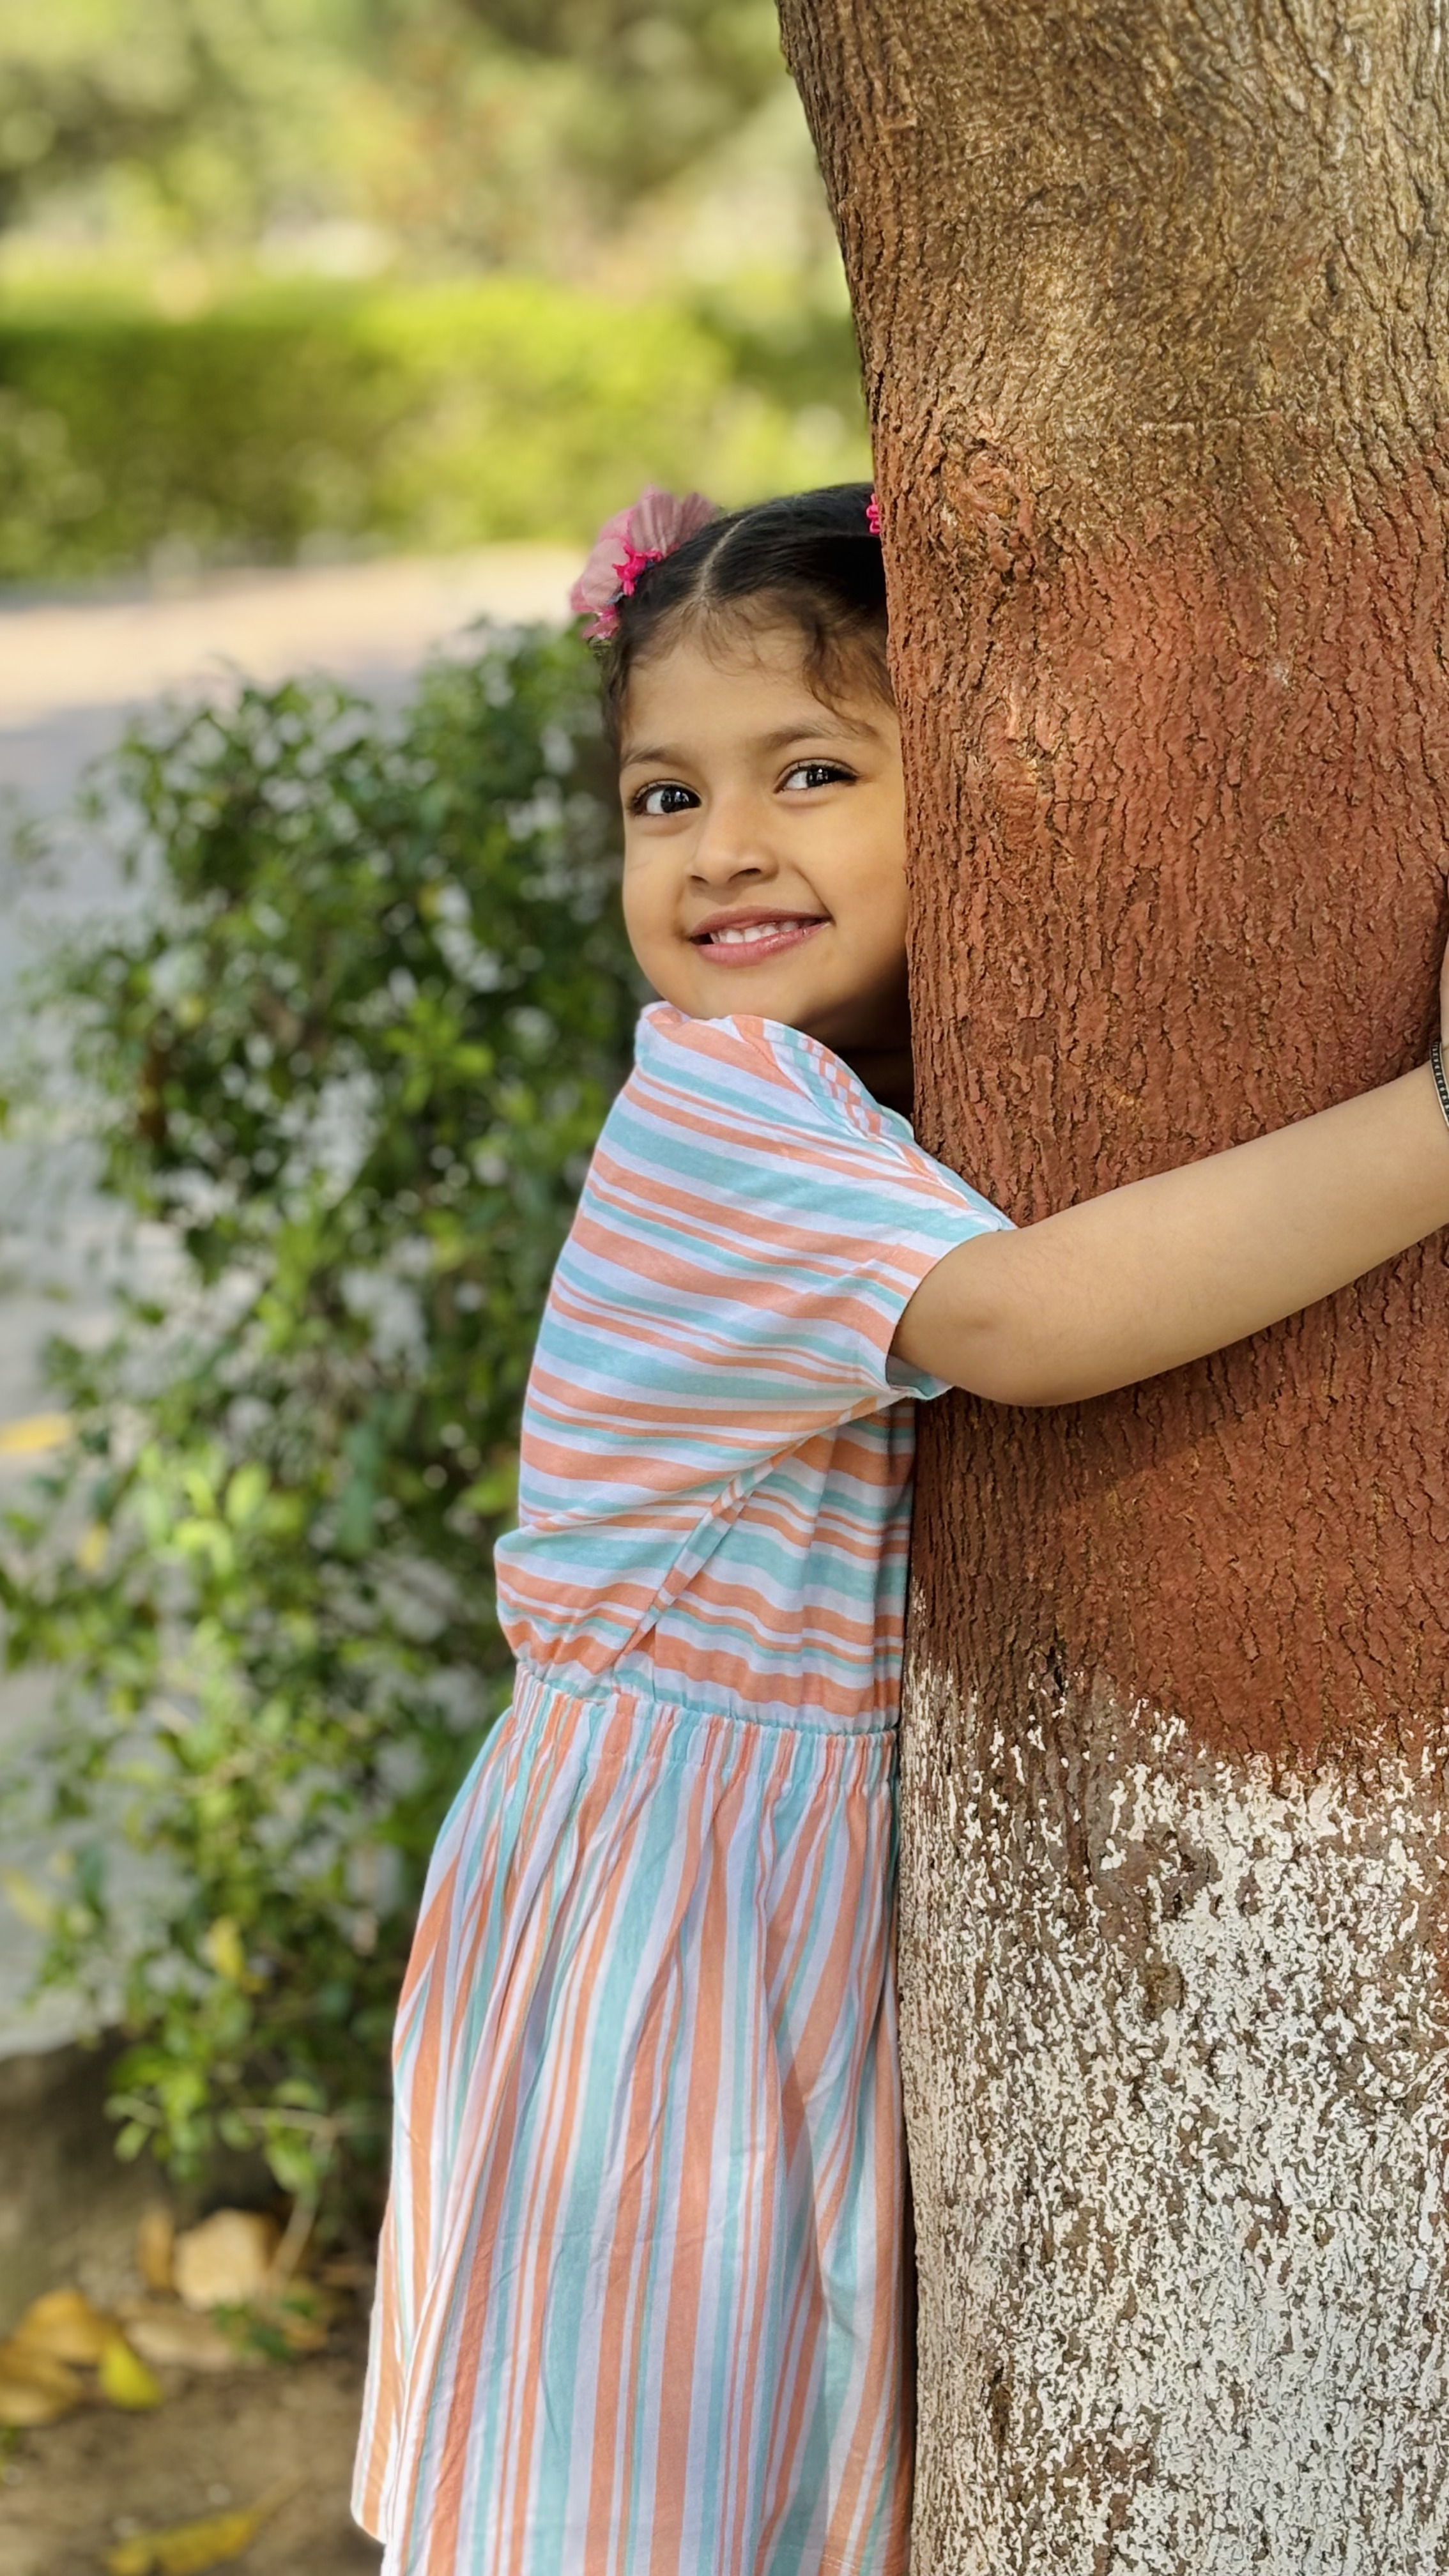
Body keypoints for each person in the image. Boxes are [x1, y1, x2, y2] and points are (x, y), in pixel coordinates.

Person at [353, 481, 1449, 2575]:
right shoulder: (719, 1117)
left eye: (816, 773)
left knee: (780, 2482)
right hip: (660, 1931)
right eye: (663, 796)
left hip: (776, 1915)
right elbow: (1032, 1323)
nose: (723, 846)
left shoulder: (865, 1112)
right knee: (632, 2500)